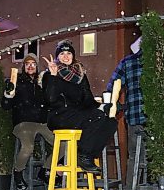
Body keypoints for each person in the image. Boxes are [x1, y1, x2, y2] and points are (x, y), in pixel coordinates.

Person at [42, 40, 117, 172]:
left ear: (73, 56)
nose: (66, 56)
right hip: (60, 116)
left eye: (69, 53)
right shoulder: (50, 74)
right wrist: (53, 76)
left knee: (110, 122)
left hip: (78, 114)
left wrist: (103, 106)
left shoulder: (80, 75)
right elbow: (50, 99)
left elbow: (88, 99)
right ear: (57, 57)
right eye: (62, 54)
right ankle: (83, 154)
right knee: (96, 117)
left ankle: (86, 155)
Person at [107, 36, 154, 190]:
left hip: (135, 115)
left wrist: (115, 105)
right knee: (156, 155)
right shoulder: (160, 61)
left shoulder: (127, 62)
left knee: (134, 155)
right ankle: (156, 189)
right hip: (156, 116)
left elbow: (113, 85)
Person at [1, 53, 56, 190]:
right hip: (23, 123)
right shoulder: (17, 82)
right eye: (27, 64)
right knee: (28, 147)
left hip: (42, 123)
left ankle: (45, 170)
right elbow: (5, 105)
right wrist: (8, 94)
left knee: (64, 145)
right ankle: (18, 173)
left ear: (37, 66)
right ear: (23, 66)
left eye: (33, 64)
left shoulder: (42, 82)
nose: (30, 66)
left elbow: (53, 98)